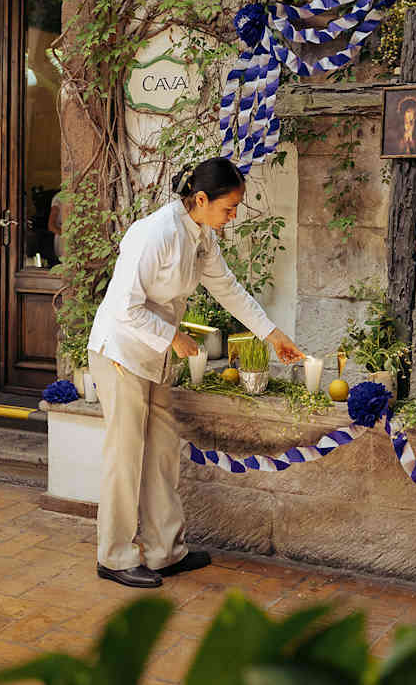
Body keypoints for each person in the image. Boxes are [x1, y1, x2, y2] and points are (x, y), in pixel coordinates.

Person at [87, 157, 304, 588]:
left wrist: (271, 333)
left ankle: (166, 551)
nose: (233, 216)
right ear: (200, 199)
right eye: (229, 207)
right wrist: (172, 336)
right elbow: (123, 307)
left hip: (157, 358)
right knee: (125, 458)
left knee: (163, 453)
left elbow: (228, 289)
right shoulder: (154, 234)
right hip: (121, 353)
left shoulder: (201, 236)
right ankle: (114, 555)